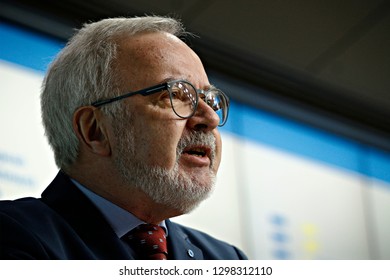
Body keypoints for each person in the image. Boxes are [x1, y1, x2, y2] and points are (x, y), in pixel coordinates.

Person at [0, 15, 247, 260]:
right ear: (94, 129)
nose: (211, 119)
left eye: (209, 99)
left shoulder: (227, 259)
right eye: (176, 95)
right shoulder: (13, 235)